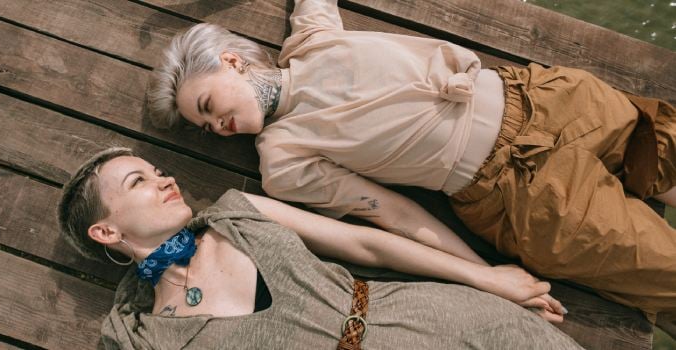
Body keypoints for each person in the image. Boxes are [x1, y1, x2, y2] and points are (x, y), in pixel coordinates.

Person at [146, 0, 676, 329]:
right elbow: (394, 215)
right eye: (205, 127)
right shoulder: (284, 160)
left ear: (232, 62)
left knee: (665, 155)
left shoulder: (310, 40)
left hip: (544, 99)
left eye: (209, 106)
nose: (217, 127)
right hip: (528, 196)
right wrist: (486, 277)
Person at [57, 147, 580, 349]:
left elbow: (365, 242)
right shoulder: (144, 337)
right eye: (137, 182)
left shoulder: (236, 210)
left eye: (156, 169)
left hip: (436, 321)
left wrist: (486, 277)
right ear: (107, 231)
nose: (163, 178)